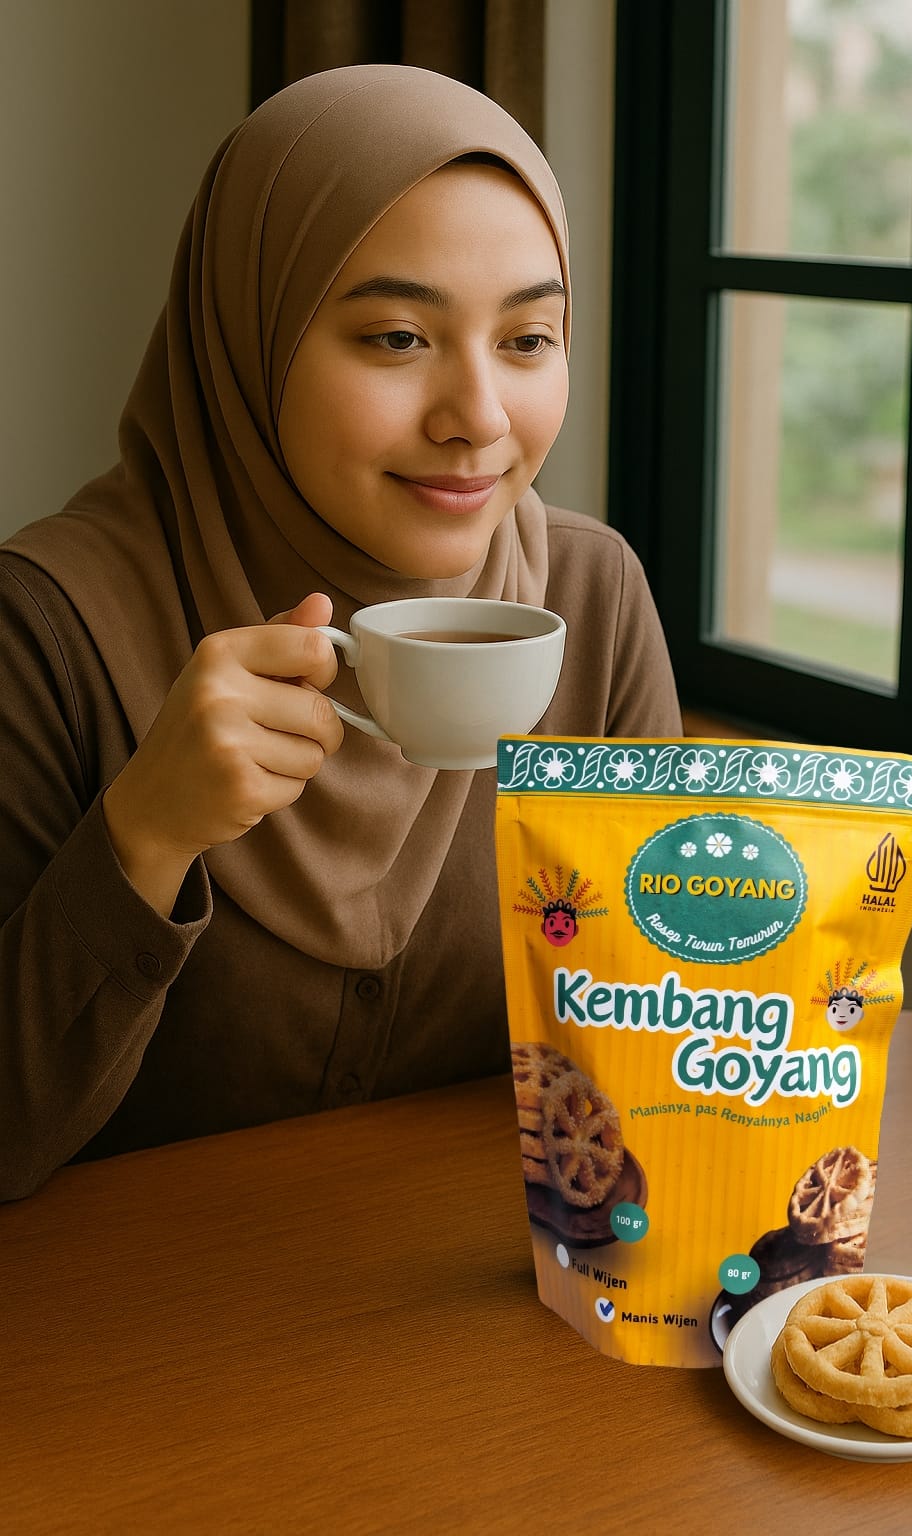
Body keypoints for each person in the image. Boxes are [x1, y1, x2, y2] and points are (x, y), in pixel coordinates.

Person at [0, 65, 682, 1200]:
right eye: (399, 337)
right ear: (251, 334)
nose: (479, 419)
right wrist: (146, 835)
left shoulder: (591, 595)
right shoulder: (48, 630)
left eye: (528, 340)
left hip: (496, 1293)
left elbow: (655, 1043)